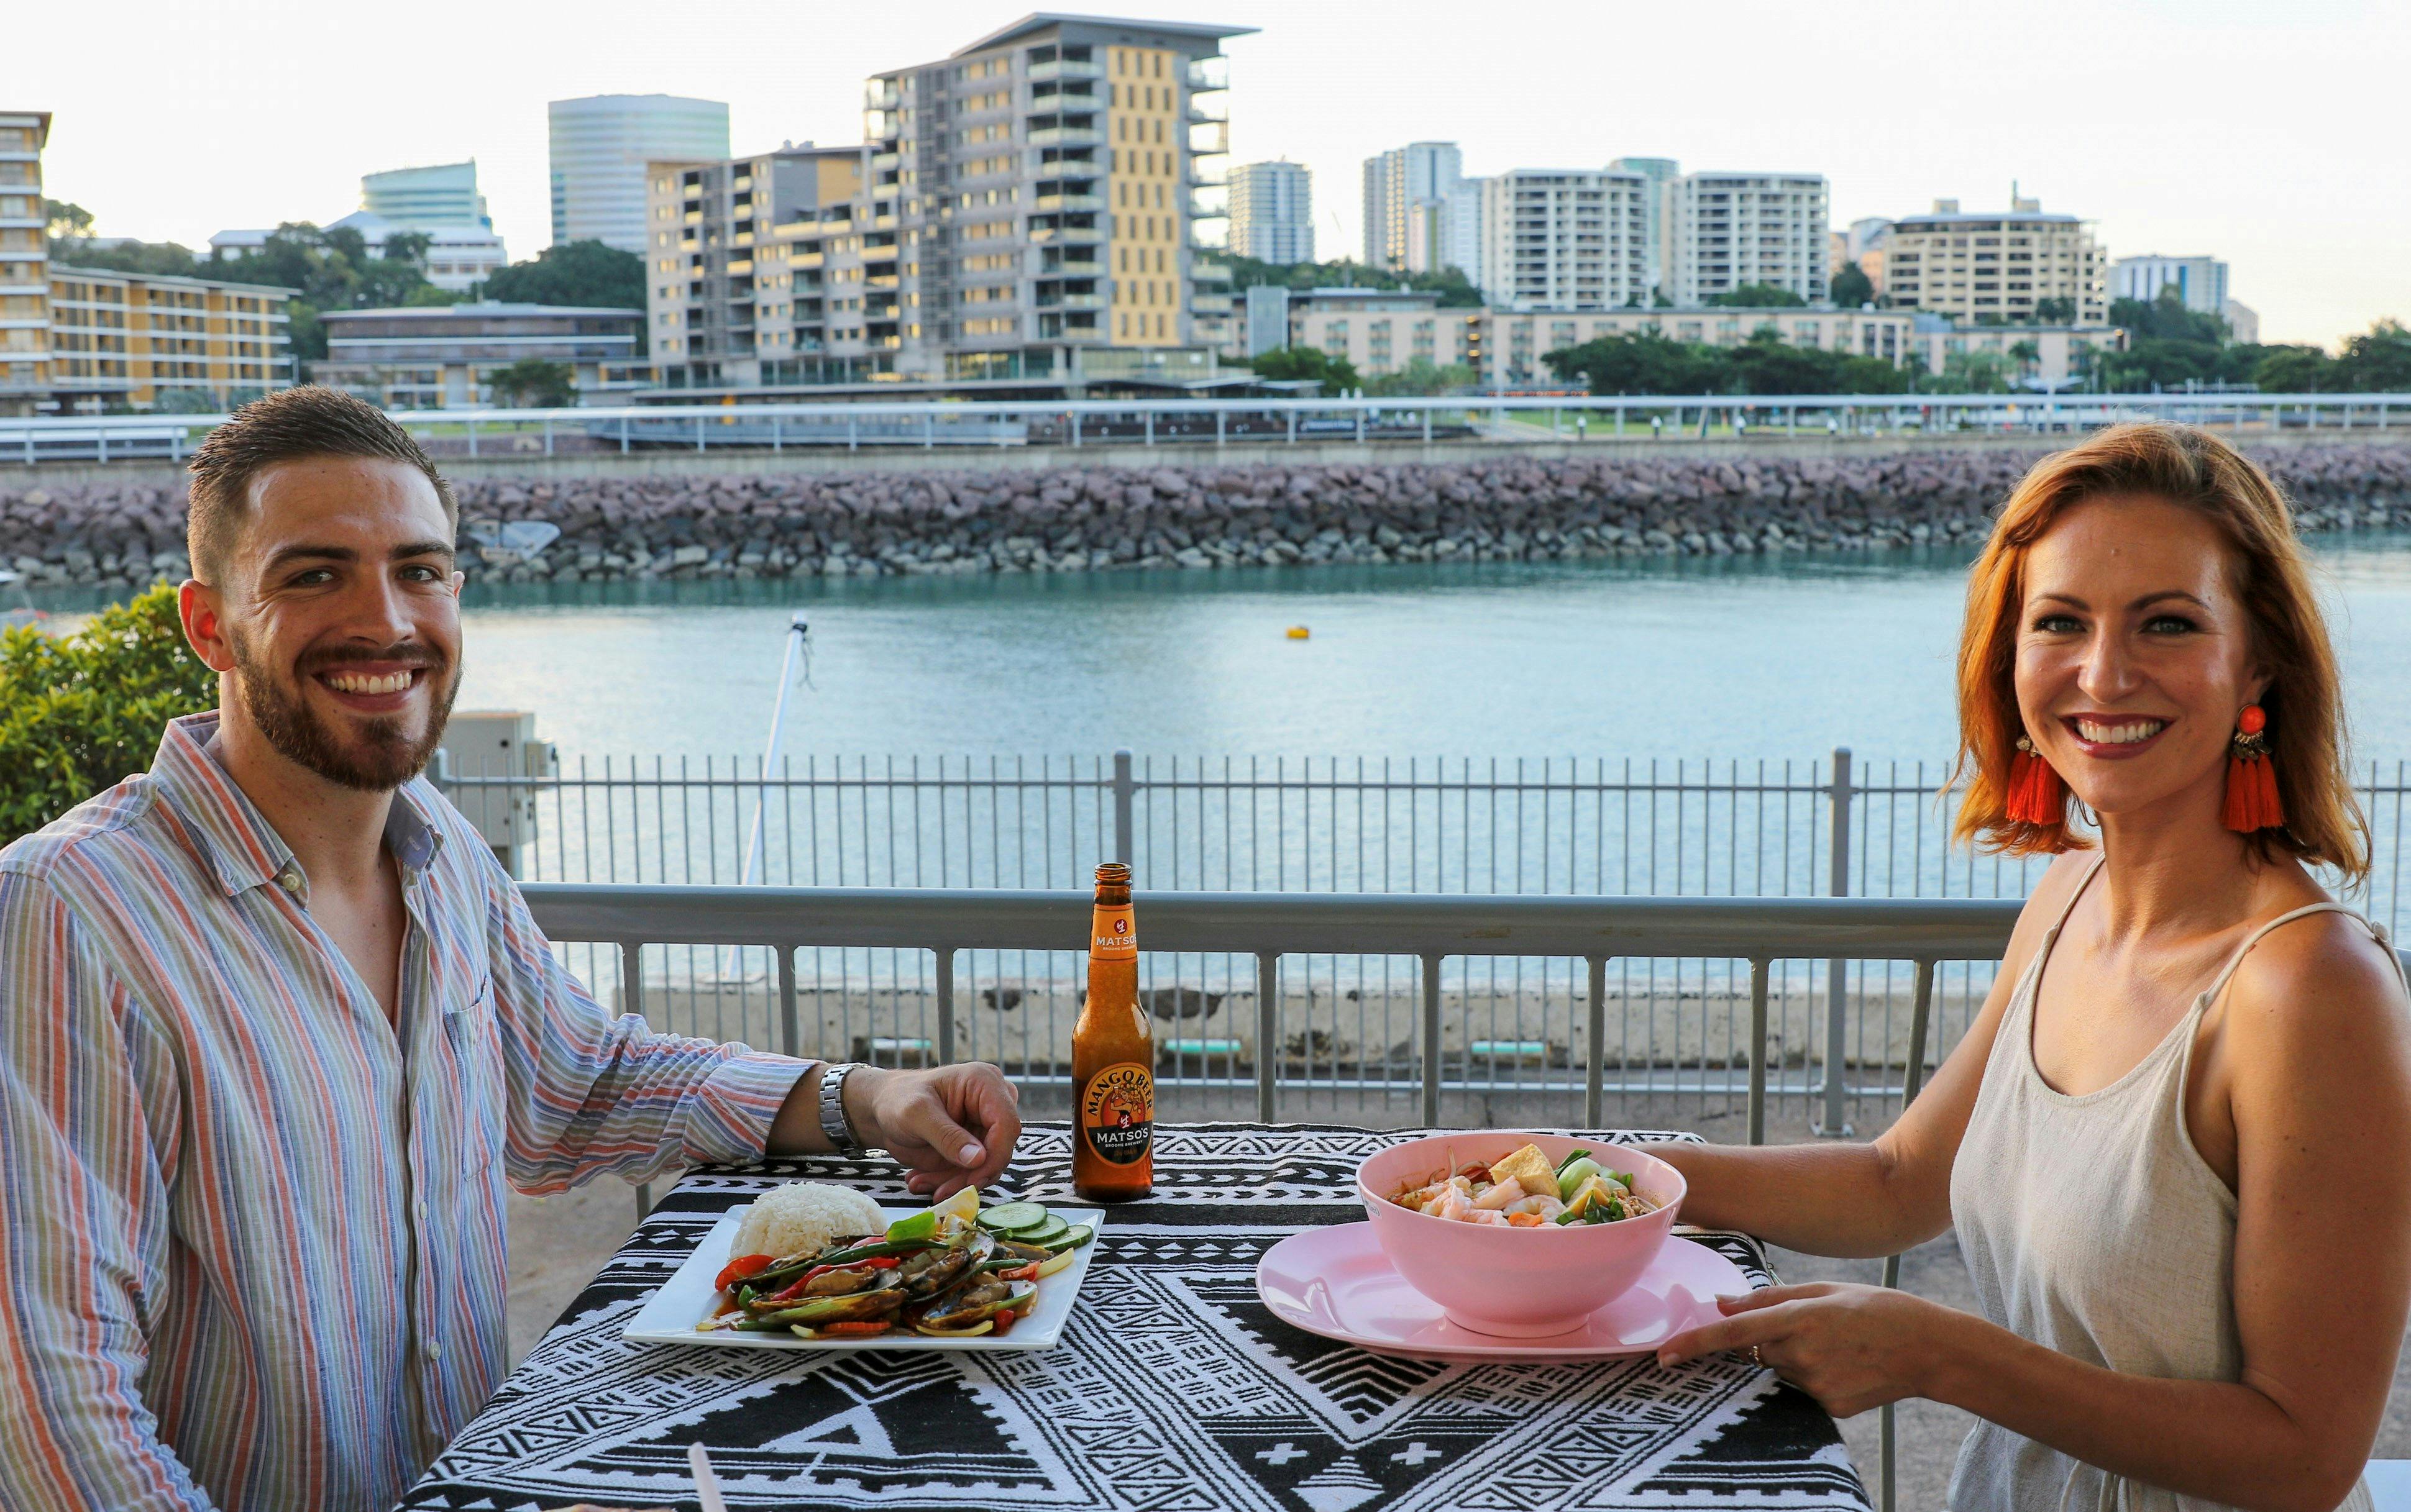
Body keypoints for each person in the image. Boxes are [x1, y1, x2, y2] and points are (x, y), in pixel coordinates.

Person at [0, 388, 1022, 1512]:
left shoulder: (439, 852)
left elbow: (578, 1083)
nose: (385, 619)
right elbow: (53, 1410)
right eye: (312, 573)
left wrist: (863, 1097)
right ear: (208, 625)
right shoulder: (70, 911)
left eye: (421, 570)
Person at [1654, 423, 2411, 1511]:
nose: (2104, 673)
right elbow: (1898, 1181)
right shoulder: (2066, 895)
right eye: (2059, 621)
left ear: (2259, 663)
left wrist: (1937, 1354)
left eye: (2167, 622)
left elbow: (2304, 1457)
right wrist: (1605, 1172)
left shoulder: (2308, 987)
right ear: (2009, 659)